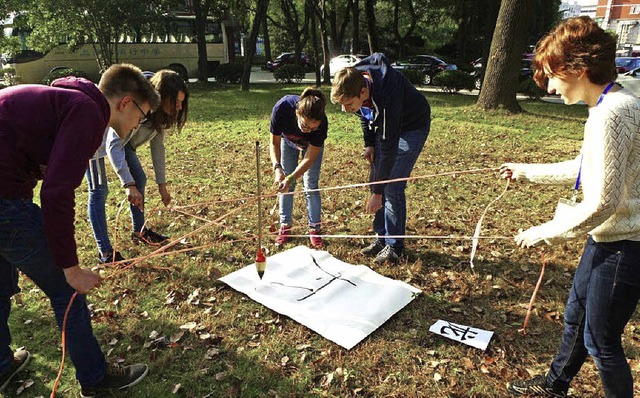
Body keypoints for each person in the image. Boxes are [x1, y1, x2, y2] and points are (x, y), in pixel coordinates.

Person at [0, 64, 160, 396]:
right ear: (126, 103)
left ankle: (2, 365)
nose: (138, 126)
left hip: (7, 194)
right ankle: (95, 377)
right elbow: (57, 192)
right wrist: (70, 269)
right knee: (67, 292)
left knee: (0, 283)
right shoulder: (88, 113)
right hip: (4, 203)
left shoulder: (69, 100)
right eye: (142, 116)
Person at [501, 16, 640, 398]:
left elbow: (605, 202)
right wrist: (526, 171)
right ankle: (554, 385)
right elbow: (587, 167)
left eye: (551, 75)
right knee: (576, 316)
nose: (548, 85)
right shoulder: (610, 103)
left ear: (578, 68)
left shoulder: (614, 110)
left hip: (628, 243)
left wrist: (545, 231)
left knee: (601, 341)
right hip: (608, 236)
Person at [330, 53, 431, 264]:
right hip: (387, 124)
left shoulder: (387, 95)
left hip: (412, 125)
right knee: (375, 176)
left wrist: (378, 192)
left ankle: (395, 246)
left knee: (391, 186)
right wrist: (368, 143)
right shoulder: (355, 79)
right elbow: (363, 115)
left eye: (347, 104)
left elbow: (389, 148)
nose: (344, 109)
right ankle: (382, 237)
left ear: (364, 92)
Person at [107, 70, 189, 246]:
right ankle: (105, 251)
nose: (179, 107)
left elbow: (158, 148)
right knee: (99, 193)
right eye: (176, 102)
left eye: (182, 102)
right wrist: (128, 183)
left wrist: (162, 186)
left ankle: (139, 231)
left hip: (127, 146)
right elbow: (113, 144)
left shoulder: (160, 116)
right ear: (163, 96)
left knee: (140, 179)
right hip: (99, 145)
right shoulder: (137, 105)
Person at [269, 87, 328, 248]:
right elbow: (274, 143)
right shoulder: (282, 108)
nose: (308, 129)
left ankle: (315, 229)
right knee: (286, 186)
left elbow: (309, 158)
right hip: (288, 143)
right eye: (305, 124)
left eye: (312, 128)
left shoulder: (322, 124)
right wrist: (277, 168)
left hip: (309, 149)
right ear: (298, 113)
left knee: (311, 186)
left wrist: (292, 177)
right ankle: (285, 226)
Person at [86, 127, 127, 265]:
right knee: (98, 192)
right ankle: (105, 253)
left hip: (96, 144)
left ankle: (105, 251)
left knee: (100, 191)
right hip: (90, 144)